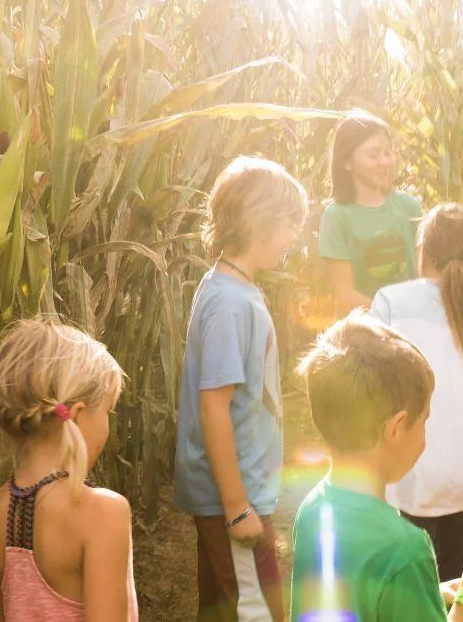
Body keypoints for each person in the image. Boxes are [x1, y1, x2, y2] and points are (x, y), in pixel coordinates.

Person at [290, 314, 463, 621]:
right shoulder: (405, 551)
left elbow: (359, 601)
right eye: (424, 419)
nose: (426, 432)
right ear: (396, 428)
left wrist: (427, 593)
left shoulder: (313, 510)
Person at [174, 156, 308, 621]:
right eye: (290, 224)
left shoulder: (234, 290)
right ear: (260, 221)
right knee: (255, 612)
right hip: (235, 497)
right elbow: (214, 407)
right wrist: (235, 508)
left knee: (223, 608)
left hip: (238, 491)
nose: (293, 236)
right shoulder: (231, 305)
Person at [0, 317, 138, 621]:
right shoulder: (104, 512)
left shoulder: (0, 507)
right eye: (107, 411)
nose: (108, 424)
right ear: (75, 417)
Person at [370, 203, 463, 580]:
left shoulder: (390, 302)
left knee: (414, 590)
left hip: (413, 472)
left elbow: (373, 390)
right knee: (457, 587)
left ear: (422, 251)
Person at [319, 111, 422, 313]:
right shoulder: (337, 217)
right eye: (373, 155)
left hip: (413, 325)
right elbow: (345, 294)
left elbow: (424, 276)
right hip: (365, 331)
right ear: (347, 162)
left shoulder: (410, 206)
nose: (384, 162)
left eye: (387, 152)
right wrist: (393, 315)